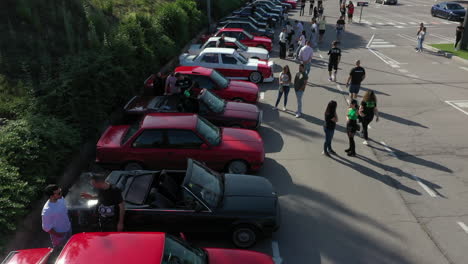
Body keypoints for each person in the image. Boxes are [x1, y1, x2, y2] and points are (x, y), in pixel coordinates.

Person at [42, 184, 72, 249]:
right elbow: (46, 227)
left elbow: (65, 211)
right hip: (59, 236)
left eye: (60, 191)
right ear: (51, 196)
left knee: (70, 248)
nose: (61, 194)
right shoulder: (47, 210)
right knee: (61, 251)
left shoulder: (61, 199)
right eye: (58, 193)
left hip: (68, 228)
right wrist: (59, 235)